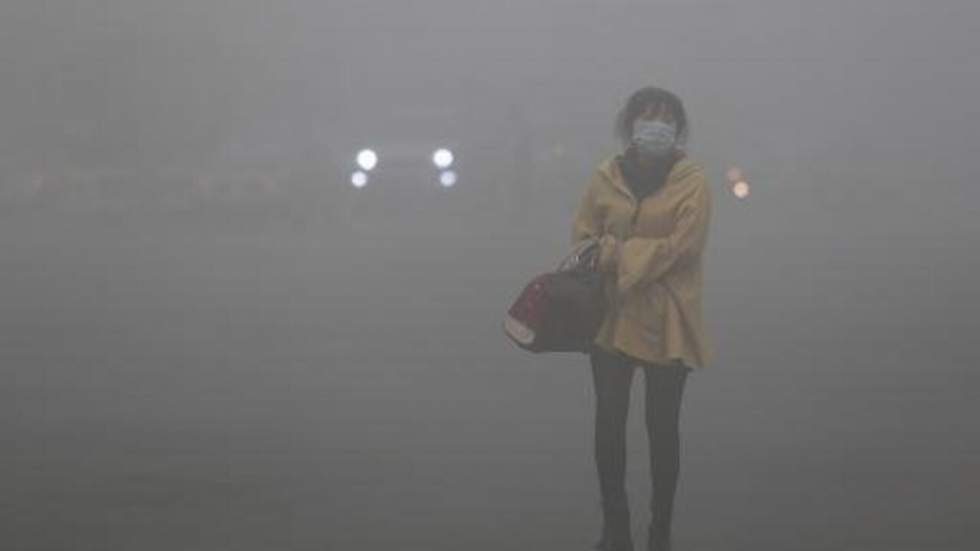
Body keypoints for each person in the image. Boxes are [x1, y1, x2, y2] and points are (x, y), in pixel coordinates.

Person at [570, 87, 713, 551]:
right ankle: (615, 528)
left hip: (669, 321)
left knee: (662, 428)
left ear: (678, 129)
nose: (657, 125)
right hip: (610, 318)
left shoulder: (693, 181)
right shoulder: (603, 177)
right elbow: (583, 240)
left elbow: (684, 247)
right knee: (608, 422)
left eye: (666, 117)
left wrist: (617, 255)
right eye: (648, 116)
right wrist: (627, 256)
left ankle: (660, 531)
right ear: (629, 124)